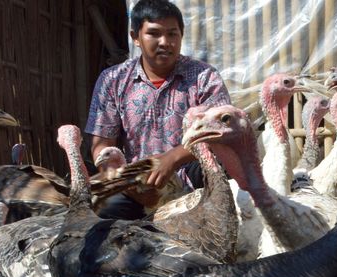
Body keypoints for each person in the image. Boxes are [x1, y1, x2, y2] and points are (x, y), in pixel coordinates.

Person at [85, 0, 231, 219]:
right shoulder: (112, 80)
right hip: (138, 183)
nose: (165, 42)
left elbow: (221, 133)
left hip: (193, 176)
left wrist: (172, 159)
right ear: (135, 37)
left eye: (172, 34)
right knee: (105, 215)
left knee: (225, 182)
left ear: (181, 36)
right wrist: (116, 175)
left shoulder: (205, 78)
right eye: (154, 34)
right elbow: (103, 143)